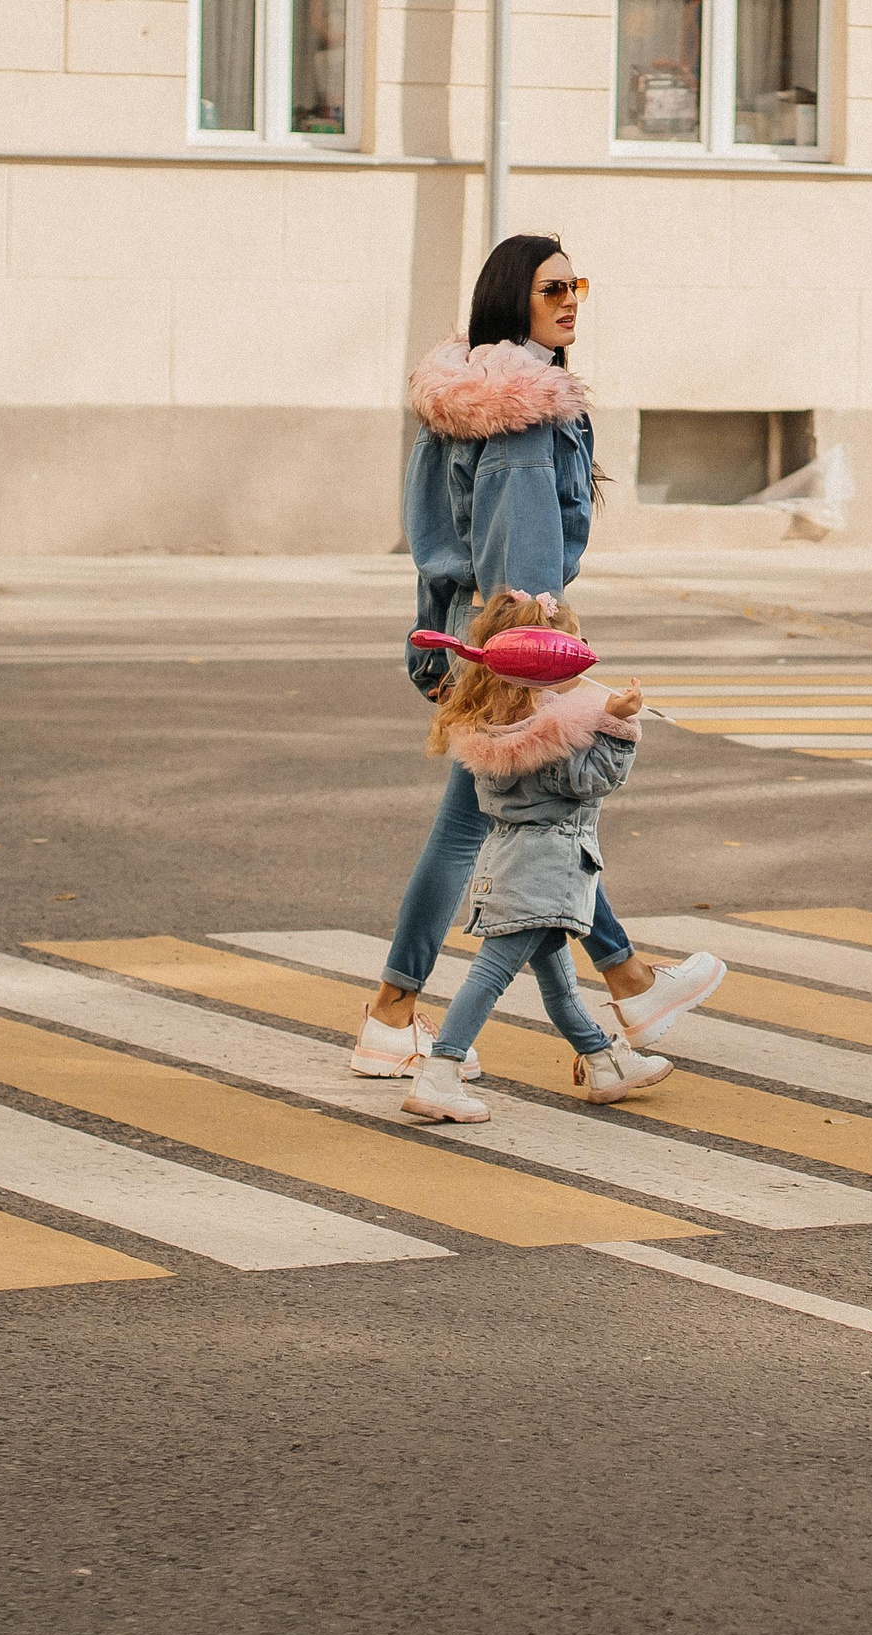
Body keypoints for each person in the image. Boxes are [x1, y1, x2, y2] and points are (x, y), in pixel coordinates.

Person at [354, 233, 721, 1080]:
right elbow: (519, 557)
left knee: (500, 826)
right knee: (515, 827)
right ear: (513, 296)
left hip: (461, 633)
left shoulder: (461, 391)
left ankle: (615, 990)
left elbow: (434, 538)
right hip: (508, 644)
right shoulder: (523, 408)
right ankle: (413, 1012)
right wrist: (536, 664)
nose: (570, 300)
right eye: (553, 287)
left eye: (576, 285)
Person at [400, 593, 672, 1123]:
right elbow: (593, 780)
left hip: (509, 860)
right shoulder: (554, 733)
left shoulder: (497, 723)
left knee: (556, 976)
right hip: (548, 864)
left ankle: (602, 1060)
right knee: (493, 972)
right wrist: (618, 728)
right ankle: (440, 1074)